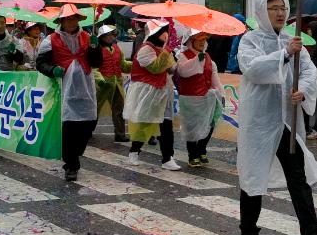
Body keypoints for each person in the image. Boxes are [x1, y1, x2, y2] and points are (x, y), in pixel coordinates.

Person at [235, 0, 317, 235]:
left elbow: (309, 71)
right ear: (261, 12)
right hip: (260, 121)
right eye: (273, 8)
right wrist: (283, 55)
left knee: (298, 178)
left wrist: (302, 90)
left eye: (283, 7)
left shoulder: (293, 41)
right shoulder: (250, 40)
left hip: (287, 122)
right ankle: (249, 229)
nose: (280, 13)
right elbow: (252, 69)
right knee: (253, 174)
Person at [36, 4, 103, 182]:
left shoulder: (88, 37)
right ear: (62, 21)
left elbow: (96, 63)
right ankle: (71, 165)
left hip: (85, 85)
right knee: (68, 127)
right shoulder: (50, 40)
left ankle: (76, 153)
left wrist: (96, 49)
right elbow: (41, 63)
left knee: (88, 122)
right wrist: (53, 69)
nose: (71, 22)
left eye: (74, 18)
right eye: (68, 19)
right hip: (63, 86)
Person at [124, 18, 181, 170]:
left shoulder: (163, 49)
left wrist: (176, 58)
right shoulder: (145, 49)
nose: (166, 35)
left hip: (163, 92)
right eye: (163, 32)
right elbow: (155, 68)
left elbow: (170, 69)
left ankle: (167, 158)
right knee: (145, 123)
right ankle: (134, 152)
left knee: (166, 126)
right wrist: (167, 53)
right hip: (149, 92)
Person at [174, 27, 221, 167]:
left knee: (209, 124)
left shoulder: (208, 57)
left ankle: (202, 149)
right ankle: (192, 154)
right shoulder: (183, 56)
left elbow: (214, 77)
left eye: (204, 40)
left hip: (207, 97)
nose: (202, 43)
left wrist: (220, 92)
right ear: (191, 41)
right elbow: (183, 71)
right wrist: (195, 60)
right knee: (191, 127)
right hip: (190, 98)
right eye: (198, 40)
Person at [93, 23, 130, 143]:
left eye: (112, 34)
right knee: (95, 109)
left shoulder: (117, 48)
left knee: (119, 110)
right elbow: (94, 69)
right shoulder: (96, 50)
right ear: (102, 37)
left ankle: (120, 134)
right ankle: (87, 131)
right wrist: (100, 80)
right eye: (108, 35)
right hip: (102, 85)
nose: (111, 37)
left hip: (117, 83)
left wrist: (137, 64)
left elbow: (123, 65)